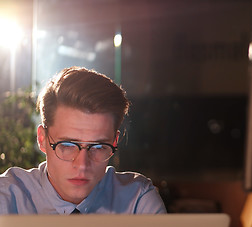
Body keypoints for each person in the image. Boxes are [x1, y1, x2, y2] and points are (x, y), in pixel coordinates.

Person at [0, 66, 167, 214]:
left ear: (114, 142)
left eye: (99, 146)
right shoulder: (6, 198)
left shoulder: (137, 202)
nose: (82, 165)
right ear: (42, 139)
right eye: (67, 145)